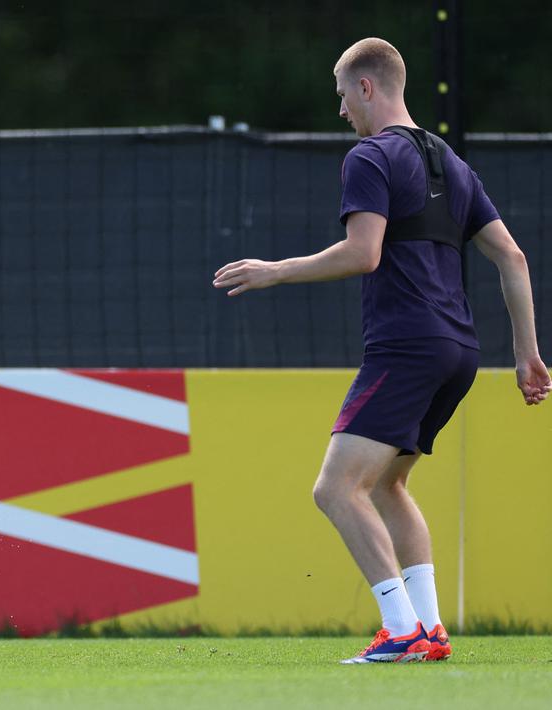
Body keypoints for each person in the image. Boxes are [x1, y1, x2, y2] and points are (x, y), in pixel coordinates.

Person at [213, 37, 550, 664]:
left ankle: (402, 630)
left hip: (407, 345)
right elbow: (513, 256)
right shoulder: (451, 162)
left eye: (343, 95)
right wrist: (528, 352)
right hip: (460, 350)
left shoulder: (371, 155)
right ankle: (430, 629)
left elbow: (363, 253)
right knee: (390, 486)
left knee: (335, 490)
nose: (342, 110)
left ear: (367, 87)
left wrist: (274, 270)